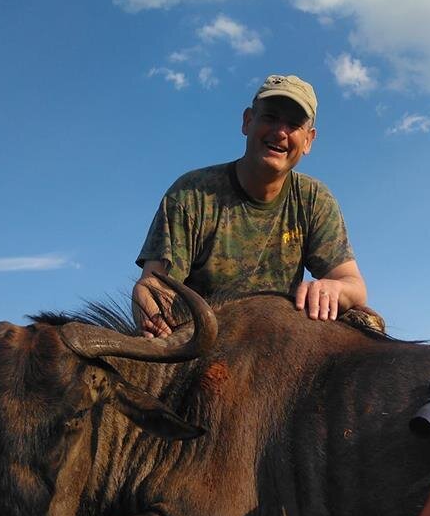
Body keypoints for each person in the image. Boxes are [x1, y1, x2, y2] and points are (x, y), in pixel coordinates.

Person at [132, 74, 367, 337]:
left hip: (277, 344)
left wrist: (333, 289)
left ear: (309, 140)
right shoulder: (191, 193)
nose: (280, 132)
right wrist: (153, 316)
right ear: (247, 121)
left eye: (293, 124)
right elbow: (153, 284)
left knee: (367, 321)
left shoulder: (314, 199)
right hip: (199, 343)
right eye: (270, 117)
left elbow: (354, 286)